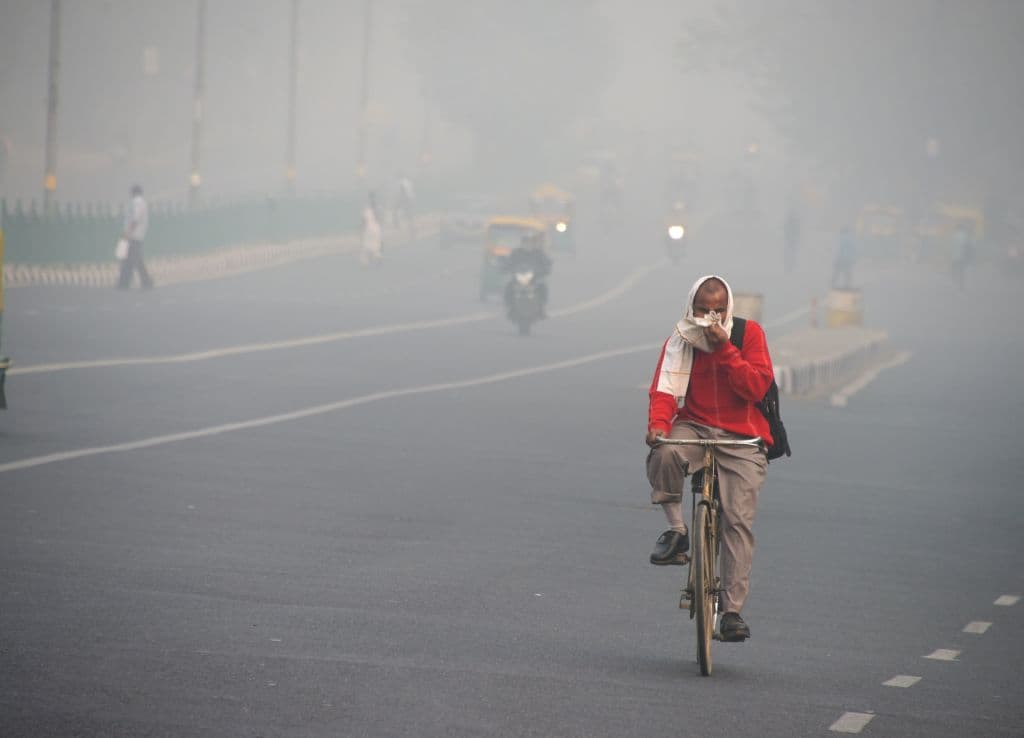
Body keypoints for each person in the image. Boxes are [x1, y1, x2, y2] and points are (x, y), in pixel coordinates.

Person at [645, 275, 775, 642]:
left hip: (742, 437)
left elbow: (754, 386)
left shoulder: (748, 336)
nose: (710, 318)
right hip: (696, 427)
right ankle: (677, 531)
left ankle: (732, 612)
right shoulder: (682, 338)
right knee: (665, 451)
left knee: (737, 520)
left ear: (728, 308)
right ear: (692, 308)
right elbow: (666, 389)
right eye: (703, 310)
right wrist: (657, 425)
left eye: (718, 311)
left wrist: (725, 350)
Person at [503, 234, 552, 317]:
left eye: (530, 242)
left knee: (543, 287)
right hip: (518, 278)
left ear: (534, 243)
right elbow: (509, 262)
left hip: (534, 279)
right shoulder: (516, 252)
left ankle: (541, 308)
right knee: (509, 287)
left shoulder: (539, 253)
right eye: (526, 242)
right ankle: (510, 307)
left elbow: (545, 263)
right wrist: (505, 267)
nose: (528, 244)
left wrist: (546, 268)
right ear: (522, 243)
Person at [117, 184, 153, 289]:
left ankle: (142, 281)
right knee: (131, 259)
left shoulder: (136, 202)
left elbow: (135, 219)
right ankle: (125, 282)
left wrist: (128, 232)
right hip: (137, 234)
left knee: (133, 259)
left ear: (133, 192)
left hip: (133, 234)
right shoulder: (142, 202)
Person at [360, 192, 383, 267]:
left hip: (368, 228)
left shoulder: (367, 209)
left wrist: (360, 228)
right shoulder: (378, 208)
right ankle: (377, 257)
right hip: (376, 227)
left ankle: (365, 262)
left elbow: (363, 221)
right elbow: (380, 219)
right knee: (376, 244)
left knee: (366, 244)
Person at [950, 222, 974, 289]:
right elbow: (970, 246)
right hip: (962, 256)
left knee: (954, 269)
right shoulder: (966, 236)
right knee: (961, 270)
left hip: (954, 256)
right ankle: (961, 284)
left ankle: (955, 282)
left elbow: (951, 246)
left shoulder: (954, 235)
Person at [783, 207, 801, 274]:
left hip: (791, 240)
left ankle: (790, 264)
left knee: (790, 250)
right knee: (791, 250)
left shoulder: (792, 221)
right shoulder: (793, 221)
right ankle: (789, 264)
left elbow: (787, 229)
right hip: (791, 239)